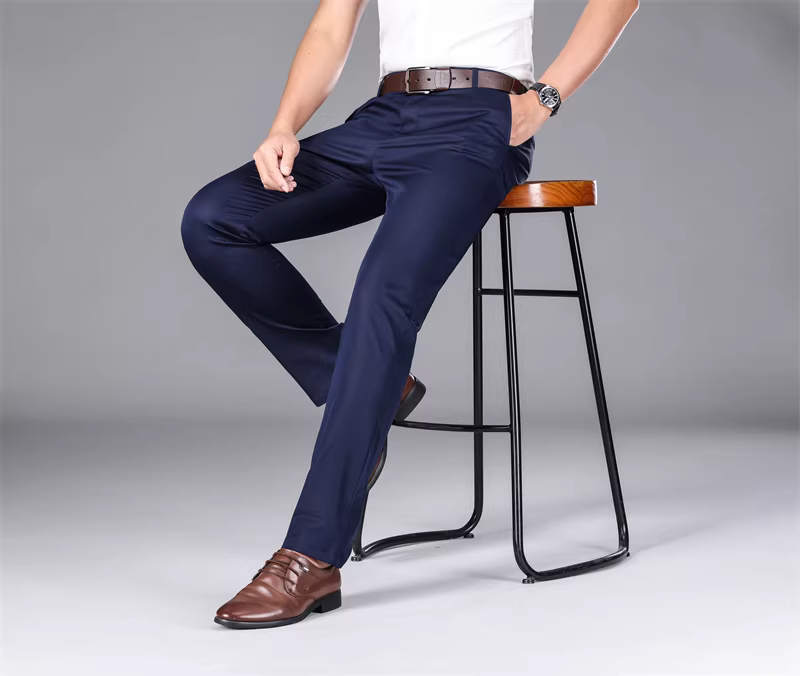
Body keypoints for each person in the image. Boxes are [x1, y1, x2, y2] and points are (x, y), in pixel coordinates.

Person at [180, 0, 638, 629]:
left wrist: (545, 99)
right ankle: (368, 382)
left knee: (381, 300)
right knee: (213, 220)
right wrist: (284, 124)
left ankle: (311, 555)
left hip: (478, 122)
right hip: (383, 116)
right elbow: (330, 27)